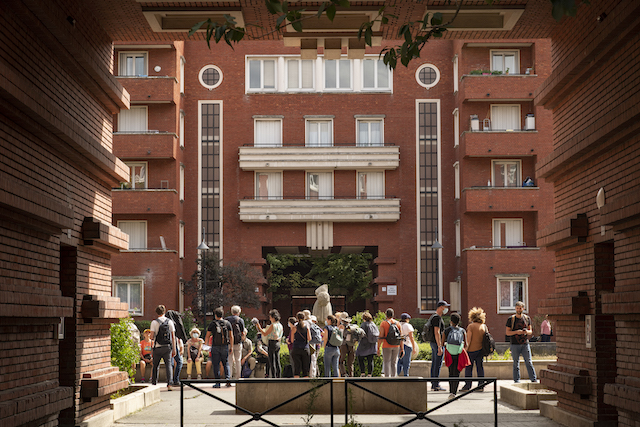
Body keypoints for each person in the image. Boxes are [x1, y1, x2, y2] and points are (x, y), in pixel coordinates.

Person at [505, 301, 537, 383]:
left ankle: (533, 379)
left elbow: (531, 331)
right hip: (514, 344)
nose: (519, 310)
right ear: (515, 308)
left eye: (520, 308)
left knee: (529, 362)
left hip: (525, 343)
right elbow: (507, 332)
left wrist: (526, 332)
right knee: (516, 363)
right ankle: (516, 380)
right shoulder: (511, 319)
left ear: (523, 308)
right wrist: (516, 332)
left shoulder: (527, 318)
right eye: (517, 308)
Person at [205, 307, 234, 388]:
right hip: (225, 346)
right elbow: (231, 336)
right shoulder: (227, 323)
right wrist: (231, 346)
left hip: (215, 347)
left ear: (215, 315)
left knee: (216, 364)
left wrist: (206, 346)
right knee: (226, 363)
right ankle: (228, 380)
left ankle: (218, 383)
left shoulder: (212, 324)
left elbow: (207, 336)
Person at [150, 305, 176, 390]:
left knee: (155, 365)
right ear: (164, 312)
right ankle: (169, 384)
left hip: (157, 347)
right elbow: (173, 337)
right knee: (168, 365)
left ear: (156, 312)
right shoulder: (170, 322)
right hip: (167, 347)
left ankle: (154, 383)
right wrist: (174, 349)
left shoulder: (154, 322)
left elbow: (151, 337)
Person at [461, 307, 488, 392]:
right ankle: (481, 385)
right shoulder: (484, 326)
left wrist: (465, 350)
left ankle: (467, 386)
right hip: (481, 350)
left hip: (471, 351)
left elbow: (468, 340)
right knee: (480, 368)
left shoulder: (471, 326)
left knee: (469, 368)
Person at [425, 300, 450, 391]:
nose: (446, 309)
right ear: (441, 307)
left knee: (435, 364)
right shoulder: (437, 318)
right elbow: (437, 332)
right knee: (437, 364)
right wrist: (440, 346)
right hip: (436, 343)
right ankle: (435, 384)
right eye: (445, 307)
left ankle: (434, 383)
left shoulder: (433, 316)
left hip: (433, 343)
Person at [444, 313, 468, 399]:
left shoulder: (447, 330)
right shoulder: (462, 331)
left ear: (451, 321)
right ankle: (454, 392)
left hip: (449, 353)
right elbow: (466, 344)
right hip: (458, 353)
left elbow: (443, 342)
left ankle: (451, 392)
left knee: (451, 372)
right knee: (457, 372)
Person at [255, 309, 283, 378]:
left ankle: (273, 376)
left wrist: (259, 327)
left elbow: (264, 333)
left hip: (272, 342)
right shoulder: (280, 325)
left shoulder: (272, 325)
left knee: (272, 361)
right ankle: (279, 376)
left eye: (270, 317)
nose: (270, 319)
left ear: (273, 317)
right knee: (277, 360)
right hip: (277, 342)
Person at [378, 308, 401, 378]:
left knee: (386, 362)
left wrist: (378, 347)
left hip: (386, 345)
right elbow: (401, 337)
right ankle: (394, 377)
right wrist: (402, 348)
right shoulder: (398, 323)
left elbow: (381, 336)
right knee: (394, 362)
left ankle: (387, 378)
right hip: (396, 345)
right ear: (393, 315)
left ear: (386, 315)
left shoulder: (383, 323)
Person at [226, 305, 246, 379]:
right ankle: (238, 377)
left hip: (229, 343)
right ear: (239, 312)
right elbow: (242, 332)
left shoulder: (227, 320)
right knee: (238, 360)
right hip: (238, 343)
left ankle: (229, 377)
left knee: (229, 361)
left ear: (231, 312)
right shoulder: (240, 320)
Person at [356, 311, 379, 376]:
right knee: (370, 360)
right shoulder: (373, 324)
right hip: (372, 345)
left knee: (360, 357)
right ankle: (369, 374)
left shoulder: (364, 324)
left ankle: (362, 373)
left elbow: (360, 334)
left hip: (364, 345)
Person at [290, 311, 312, 377]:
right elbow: (309, 338)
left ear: (296, 318)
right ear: (304, 318)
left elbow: (291, 340)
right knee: (305, 368)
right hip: (305, 348)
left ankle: (296, 384)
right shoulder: (307, 327)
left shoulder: (294, 328)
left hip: (296, 348)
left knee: (297, 368)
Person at [339, 312, 357, 377]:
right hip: (352, 345)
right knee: (350, 362)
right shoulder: (353, 326)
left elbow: (340, 336)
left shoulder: (341, 326)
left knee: (341, 361)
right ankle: (351, 375)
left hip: (343, 345)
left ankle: (344, 374)